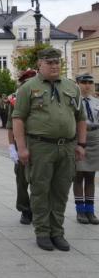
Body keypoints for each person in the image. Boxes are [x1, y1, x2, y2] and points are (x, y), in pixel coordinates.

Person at [12, 47, 86, 252]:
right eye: (49, 63)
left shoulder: (72, 87)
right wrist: (21, 148)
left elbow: (80, 118)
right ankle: (43, 232)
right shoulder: (28, 88)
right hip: (40, 147)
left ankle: (57, 232)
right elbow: (18, 118)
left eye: (57, 63)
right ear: (40, 64)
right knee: (40, 190)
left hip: (67, 147)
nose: (54, 66)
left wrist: (81, 144)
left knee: (61, 191)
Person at [6, 69, 37, 225]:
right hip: (22, 141)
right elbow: (11, 126)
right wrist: (12, 146)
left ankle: (37, 208)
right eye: (28, 82)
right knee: (22, 179)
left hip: (40, 141)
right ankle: (25, 209)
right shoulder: (15, 99)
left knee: (39, 178)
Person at [73, 73, 99, 225]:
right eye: (84, 82)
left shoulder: (96, 102)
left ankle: (90, 210)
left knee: (90, 176)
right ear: (78, 83)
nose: (87, 85)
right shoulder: (74, 101)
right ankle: (80, 210)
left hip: (95, 138)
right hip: (78, 137)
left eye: (90, 82)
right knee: (78, 175)